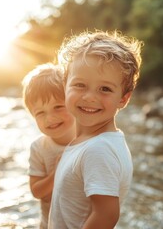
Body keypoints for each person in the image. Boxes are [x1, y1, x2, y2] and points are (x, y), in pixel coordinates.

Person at [48, 30, 143, 229]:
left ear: (123, 99)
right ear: (65, 86)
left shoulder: (98, 150)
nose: (90, 97)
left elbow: (106, 215)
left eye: (105, 89)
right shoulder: (92, 142)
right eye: (80, 85)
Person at [22, 63, 76, 229]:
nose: (50, 118)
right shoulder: (39, 148)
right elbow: (36, 191)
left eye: (58, 107)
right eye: (40, 113)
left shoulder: (90, 142)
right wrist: (57, 172)